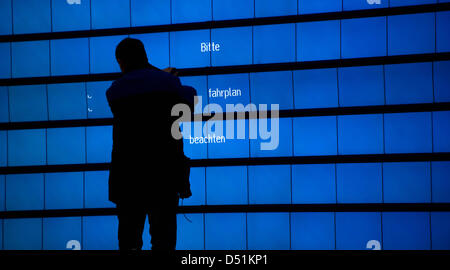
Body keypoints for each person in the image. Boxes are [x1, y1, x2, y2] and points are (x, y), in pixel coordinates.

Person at [105, 37, 196, 251]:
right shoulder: (168, 83)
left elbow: (136, 85)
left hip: (127, 179)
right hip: (163, 176)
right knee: (163, 241)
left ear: (121, 61)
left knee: (129, 241)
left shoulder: (114, 91)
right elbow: (190, 104)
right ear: (145, 55)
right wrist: (169, 78)